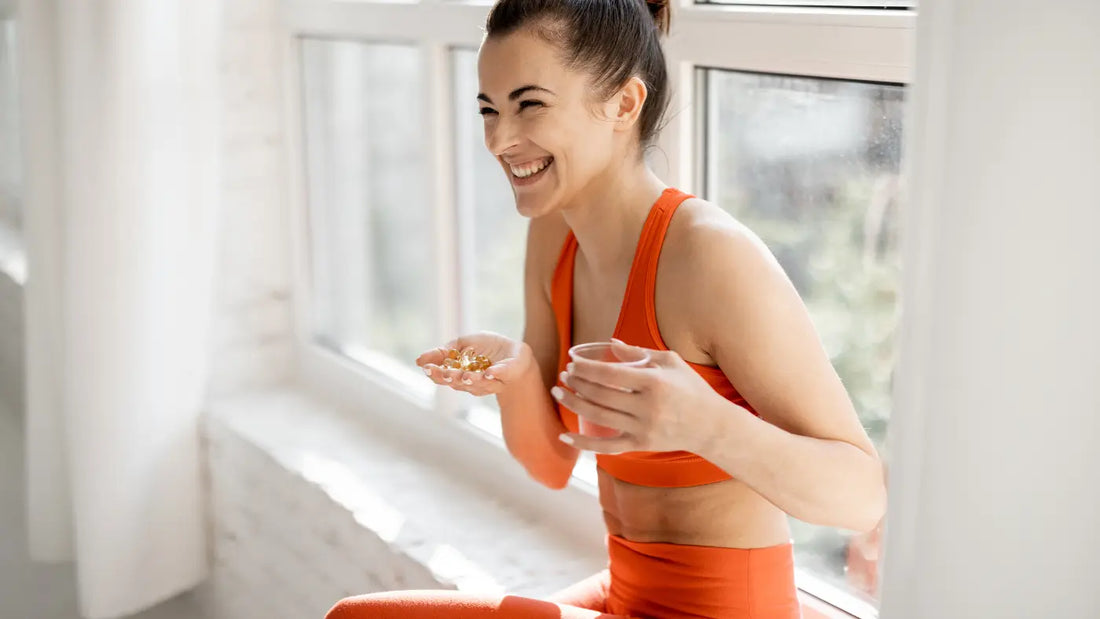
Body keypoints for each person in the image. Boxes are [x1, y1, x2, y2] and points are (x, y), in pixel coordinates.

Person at [326, 0, 886, 616]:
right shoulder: (553, 234)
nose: (499, 139)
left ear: (623, 104)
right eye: (489, 109)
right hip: (624, 592)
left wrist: (706, 423)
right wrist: (515, 378)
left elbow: (861, 496)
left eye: (529, 104)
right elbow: (550, 463)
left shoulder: (709, 257)